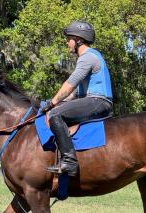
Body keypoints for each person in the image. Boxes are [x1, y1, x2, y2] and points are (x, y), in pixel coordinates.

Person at [41, 20, 113, 176]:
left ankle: (69, 162)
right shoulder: (91, 56)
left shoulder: (88, 57)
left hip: (98, 101)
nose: (67, 43)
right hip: (93, 100)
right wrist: (56, 102)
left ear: (78, 40)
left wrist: (53, 103)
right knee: (57, 109)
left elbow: (70, 85)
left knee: (55, 114)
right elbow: (76, 93)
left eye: (69, 39)